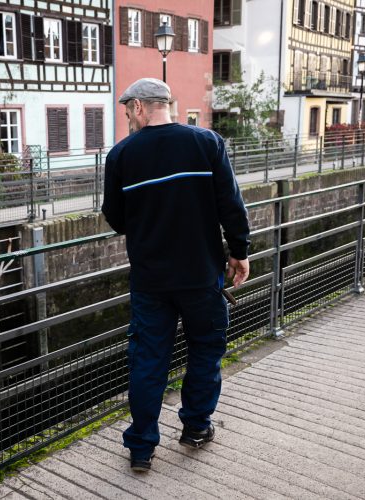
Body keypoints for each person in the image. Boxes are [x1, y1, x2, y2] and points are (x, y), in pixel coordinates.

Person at [102, 78, 251, 472]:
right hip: (202, 275)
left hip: (151, 280)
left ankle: (141, 448)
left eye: (126, 111)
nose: (127, 118)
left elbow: (116, 220)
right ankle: (196, 428)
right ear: (165, 104)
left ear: (137, 107)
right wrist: (239, 252)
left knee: (148, 360)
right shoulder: (207, 143)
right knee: (205, 350)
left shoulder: (121, 156)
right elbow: (231, 206)